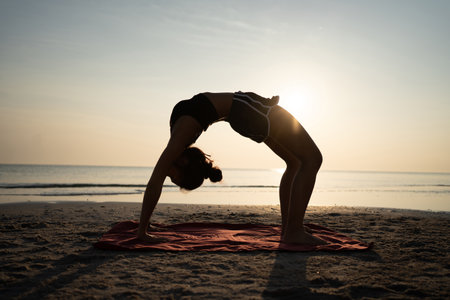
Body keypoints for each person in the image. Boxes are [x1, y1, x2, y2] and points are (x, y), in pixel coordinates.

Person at [137, 92, 325, 245]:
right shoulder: (180, 138)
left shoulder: (180, 138)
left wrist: (144, 227)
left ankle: (289, 227)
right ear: (185, 164)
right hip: (249, 112)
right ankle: (293, 230)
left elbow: (155, 181)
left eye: (173, 179)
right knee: (312, 159)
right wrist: (142, 231)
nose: (168, 176)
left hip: (247, 112)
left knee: (294, 162)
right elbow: (155, 182)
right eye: (174, 178)